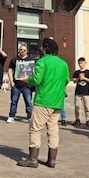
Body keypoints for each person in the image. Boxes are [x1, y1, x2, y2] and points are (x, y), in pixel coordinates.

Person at [17, 37, 70, 168]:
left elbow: (37, 79)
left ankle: (33, 159)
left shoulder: (42, 62)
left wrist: (26, 79)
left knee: (35, 129)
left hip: (43, 100)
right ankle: (52, 160)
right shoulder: (63, 63)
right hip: (57, 102)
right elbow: (67, 80)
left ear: (46, 48)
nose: (40, 49)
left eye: (41, 46)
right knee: (53, 130)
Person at [7, 44, 34, 124]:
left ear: (27, 51)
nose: (22, 51)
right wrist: (11, 81)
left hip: (26, 85)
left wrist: (31, 82)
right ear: (19, 50)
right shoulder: (14, 60)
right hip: (16, 84)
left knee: (28, 102)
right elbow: (10, 70)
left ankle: (29, 116)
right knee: (14, 101)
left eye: (24, 50)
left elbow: (33, 73)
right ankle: (11, 116)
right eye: (21, 49)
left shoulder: (30, 60)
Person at [72, 57, 89, 127]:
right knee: (77, 106)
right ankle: (77, 119)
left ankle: (88, 119)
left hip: (86, 92)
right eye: (79, 63)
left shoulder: (88, 72)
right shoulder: (77, 72)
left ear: (85, 63)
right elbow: (74, 80)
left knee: (87, 106)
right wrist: (79, 78)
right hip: (78, 92)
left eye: (81, 63)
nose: (80, 65)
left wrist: (84, 78)